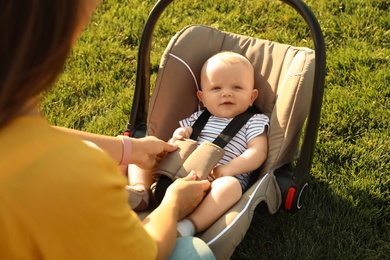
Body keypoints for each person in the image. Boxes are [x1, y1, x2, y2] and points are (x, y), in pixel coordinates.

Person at [0, 1, 214, 259]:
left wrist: (129, 148)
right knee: (195, 253)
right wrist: (173, 205)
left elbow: (30, 136)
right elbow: (148, 251)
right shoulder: (73, 173)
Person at [128, 51, 269, 236]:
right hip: (168, 175)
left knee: (231, 187)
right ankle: (141, 192)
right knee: (142, 146)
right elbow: (171, 147)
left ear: (252, 97)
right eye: (216, 88)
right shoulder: (197, 118)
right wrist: (177, 136)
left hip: (210, 187)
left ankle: (188, 226)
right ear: (202, 98)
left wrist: (230, 169)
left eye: (237, 88)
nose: (227, 93)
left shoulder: (254, 121)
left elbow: (258, 152)